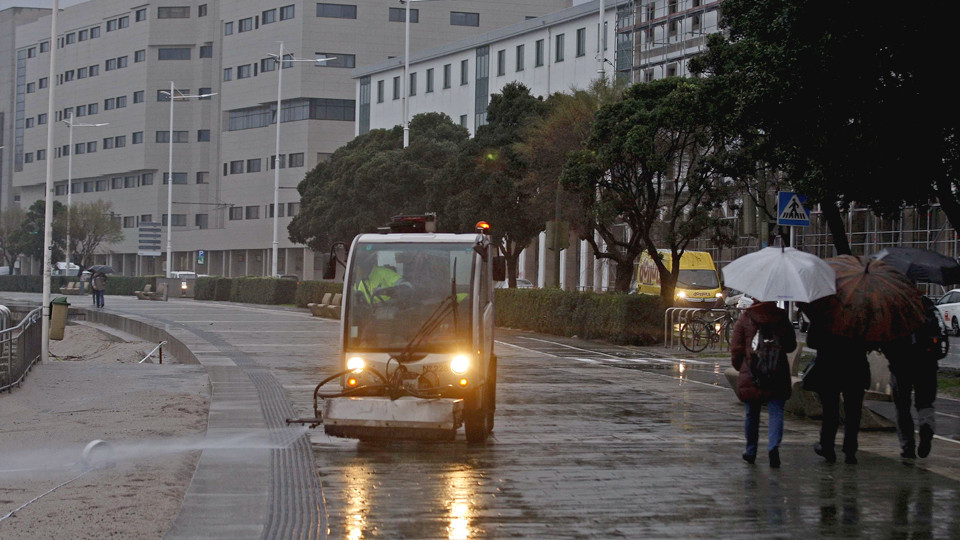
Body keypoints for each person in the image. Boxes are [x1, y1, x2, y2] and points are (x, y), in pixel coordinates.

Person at [730, 298, 797, 468]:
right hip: (777, 372)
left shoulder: (746, 317)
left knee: (752, 414)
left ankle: (751, 450)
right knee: (776, 412)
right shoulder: (781, 317)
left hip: (752, 371)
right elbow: (790, 345)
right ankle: (773, 446)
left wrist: (741, 366)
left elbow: (736, 347)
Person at [802, 301, 870, 465]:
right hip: (855, 369)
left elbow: (811, 341)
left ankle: (827, 446)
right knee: (853, 412)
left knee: (830, 411)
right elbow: (870, 341)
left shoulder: (824, 313)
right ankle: (850, 450)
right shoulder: (861, 315)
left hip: (829, 368)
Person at [881, 296, 941, 459]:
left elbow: (886, 336)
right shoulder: (926, 304)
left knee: (902, 406)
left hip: (901, 364)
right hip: (927, 363)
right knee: (925, 402)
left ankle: (907, 445)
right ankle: (926, 425)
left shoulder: (894, 306)